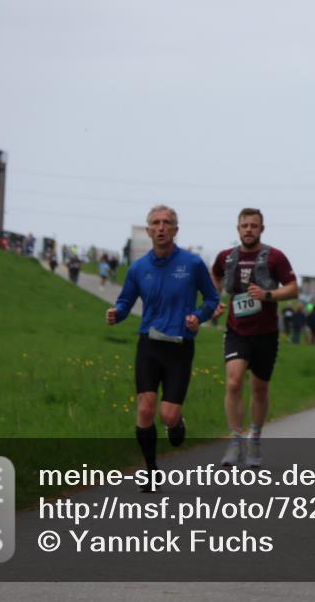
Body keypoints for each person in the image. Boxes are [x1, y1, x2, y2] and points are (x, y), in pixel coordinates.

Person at [106, 205, 219, 491]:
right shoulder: (138, 268)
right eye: (155, 223)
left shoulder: (192, 264)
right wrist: (116, 314)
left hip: (179, 347)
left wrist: (199, 317)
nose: (161, 227)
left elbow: (212, 299)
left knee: (167, 415)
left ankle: (177, 422)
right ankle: (151, 471)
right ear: (148, 231)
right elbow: (125, 302)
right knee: (145, 408)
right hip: (149, 345)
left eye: (166, 222)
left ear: (175, 230)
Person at [211, 208, 298, 468]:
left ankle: (255, 439)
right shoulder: (226, 257)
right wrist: (215, 299)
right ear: (237, 229)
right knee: (234, 382)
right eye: (244, 225)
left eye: (254, 226)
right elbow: (214, 275)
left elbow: (293, 289)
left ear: (262, 229)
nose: (249, 229)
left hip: (266, 333)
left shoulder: (275, 257)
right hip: (237, 330)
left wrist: (268, 295)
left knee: (259, 389)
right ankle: (235, 440)